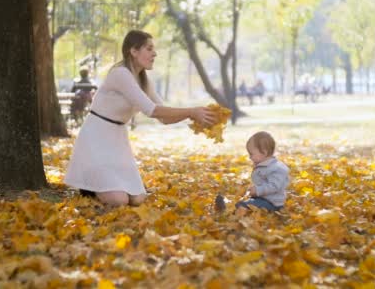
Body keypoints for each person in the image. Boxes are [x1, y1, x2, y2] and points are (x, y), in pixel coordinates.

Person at [64, 30, 217, 206]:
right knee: (119, 200)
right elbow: (152, 110)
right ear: (134, 51)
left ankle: (105, 184)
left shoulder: (144, 80)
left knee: (137, 199)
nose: (155, 53)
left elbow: (164, 117)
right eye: (149, 48)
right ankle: (90, 187)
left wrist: (196, 116)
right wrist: (191, 112)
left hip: (117, 141)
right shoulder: (120, 74)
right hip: (96, 139)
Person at [233, 131, 290, 212]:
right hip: (262, 198)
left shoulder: (277, 168)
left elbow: (274, 186)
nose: (249, 157)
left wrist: (258, 190)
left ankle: (235, 210)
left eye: (251, 154)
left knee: (247, 206)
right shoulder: (263, 165)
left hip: (272, 203)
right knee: (245, 203)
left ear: (264, 152)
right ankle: (231, 208)